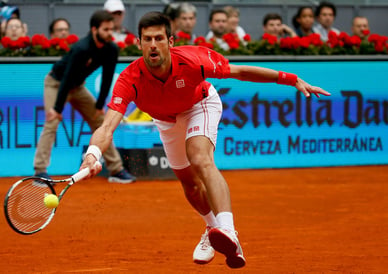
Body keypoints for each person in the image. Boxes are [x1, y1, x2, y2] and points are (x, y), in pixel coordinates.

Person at [80, 11, 330, 269]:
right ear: (139, 43)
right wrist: (93, 155)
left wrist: (292, 80)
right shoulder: (130, 79)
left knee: (199, 157)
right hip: (166, 121)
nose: (153, 45)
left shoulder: (192, 61)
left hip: (200, 104)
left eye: (158, 38)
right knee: (189, 185)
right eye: (147, 39)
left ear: (170, 42)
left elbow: (241, 71)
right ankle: (213, 230)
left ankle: (229, 230)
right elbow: (107, 125)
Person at [33, 10, 135, 184]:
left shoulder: (111, 49)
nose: (110, 33)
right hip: (56, 83)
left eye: (111, 29)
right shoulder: (81, 48)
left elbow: (107, 78)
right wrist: (57, 109)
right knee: (52, 121)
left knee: (102, 122)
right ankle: (40, 171)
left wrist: (99, 105)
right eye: (106, 30)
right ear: (94, 30)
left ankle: (116, 169)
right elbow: (66, 78)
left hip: (78, 87)